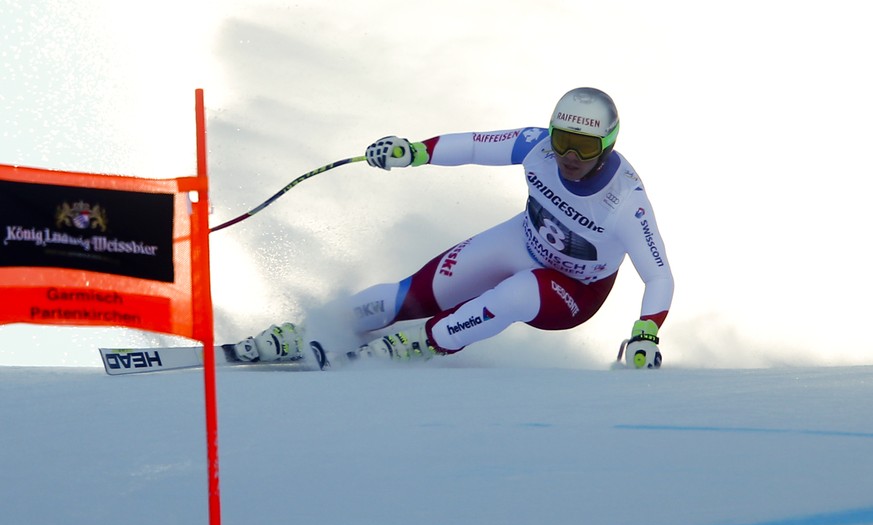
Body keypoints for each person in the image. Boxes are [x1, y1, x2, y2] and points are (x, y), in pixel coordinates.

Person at [234, 87, 674, 369]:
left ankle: (426, 342)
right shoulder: (537, 146)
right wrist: (414, 152)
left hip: (575, 291)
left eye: (584, 146)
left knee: (519, 291)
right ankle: (315, 327)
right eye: (562, 140)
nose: (570, 156)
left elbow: (657, 275)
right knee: (418, 291)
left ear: (608, 145)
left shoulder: (626, 201)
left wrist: (645, 333)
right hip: (524, 241)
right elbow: (474, 145)